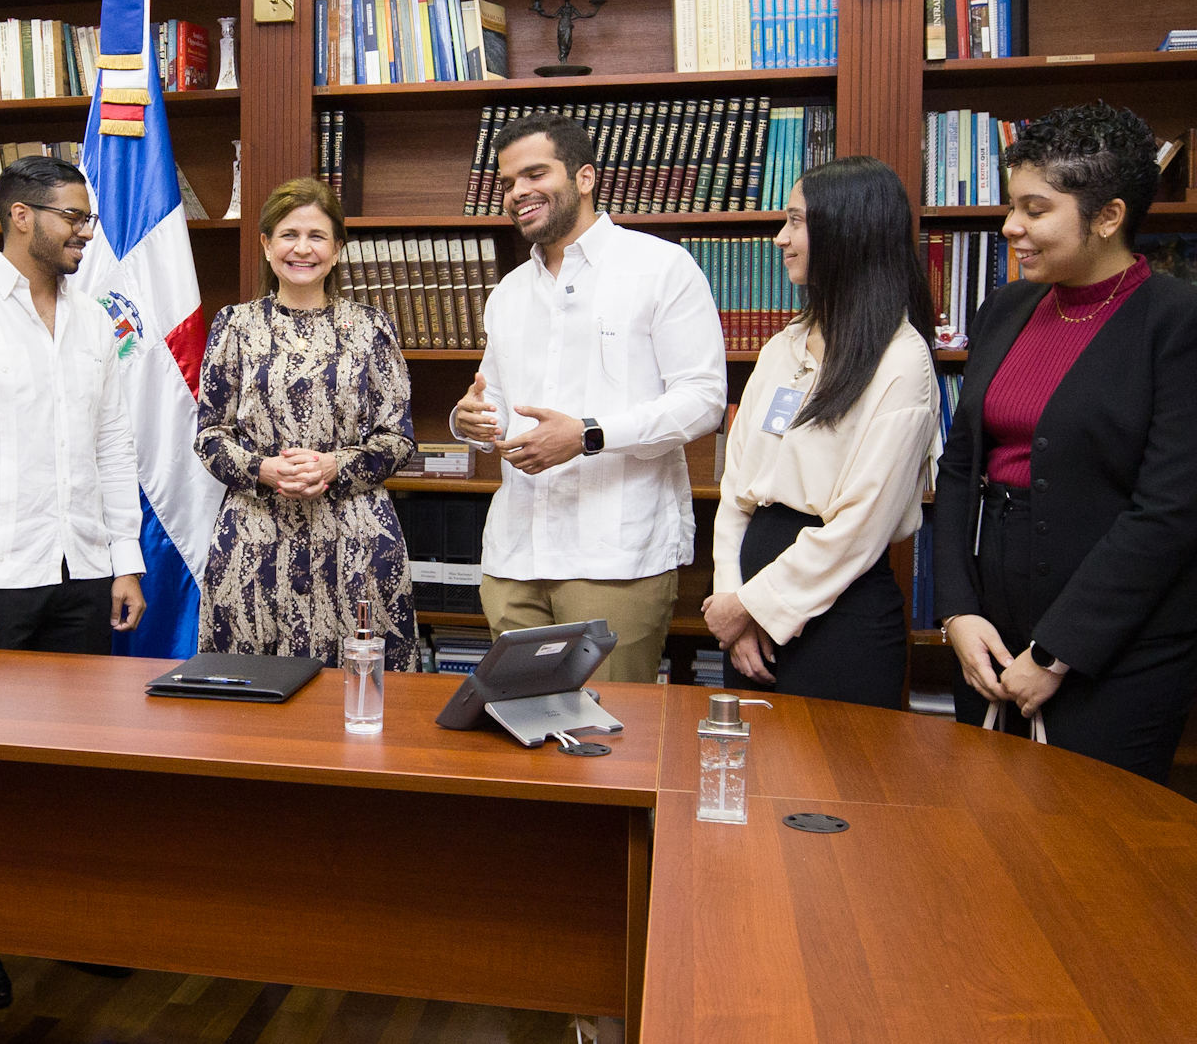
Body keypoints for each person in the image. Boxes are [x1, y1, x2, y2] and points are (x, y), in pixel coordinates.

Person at [0, 154, 146, 1011]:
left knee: (67, 770)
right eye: (73, 218)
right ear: (19, 216)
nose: (86, 233)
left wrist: (125, 557)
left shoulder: (94, 320)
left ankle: (60, 924)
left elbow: (113, 443)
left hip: (81, 569)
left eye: (88, 219)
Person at [934, 101, 1197, 784]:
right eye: (1011, 205)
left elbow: (1170, 511)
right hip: (990, 637)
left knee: (1090, 837)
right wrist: (958, 612)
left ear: (1108, 216)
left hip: (1117, 651)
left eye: (1035, 209)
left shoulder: (1176, 322)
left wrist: (1056, 652)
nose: (1010, 226)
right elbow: (958, 469)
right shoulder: (1005, 309)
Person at [450, 112, 725, 683]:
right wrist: (466, 419)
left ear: (585, 177)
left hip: (614, 558)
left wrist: (588, 435)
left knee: (606, 732)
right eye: (507, 182)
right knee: (521, 726)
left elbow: (703, 400)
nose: (518, 192)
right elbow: (490, 402)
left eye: (535, 174)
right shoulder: (508, 294)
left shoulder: (660, 268)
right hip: (514, 558)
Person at [704, 157, 939, 706]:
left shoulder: (902, 362)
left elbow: (860, 526)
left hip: (841, 623)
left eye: (796, 221)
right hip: (749, 615)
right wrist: (732, 600)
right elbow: (735, 490)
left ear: (847, 231)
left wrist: (753, 606)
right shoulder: (782, 346)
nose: (780, 238)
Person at [194, 177, 416, 668]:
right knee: (249, 690)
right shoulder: (234, 325)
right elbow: (209, 435)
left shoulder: (371, 327)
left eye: (317, 236)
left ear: (337, 250)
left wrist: (335, 466)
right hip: (254, 537)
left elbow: (398, 438)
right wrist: (263, 469)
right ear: (266, 245)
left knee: (360, 689)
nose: (302, 248)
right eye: (289, 234)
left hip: (355, 538)